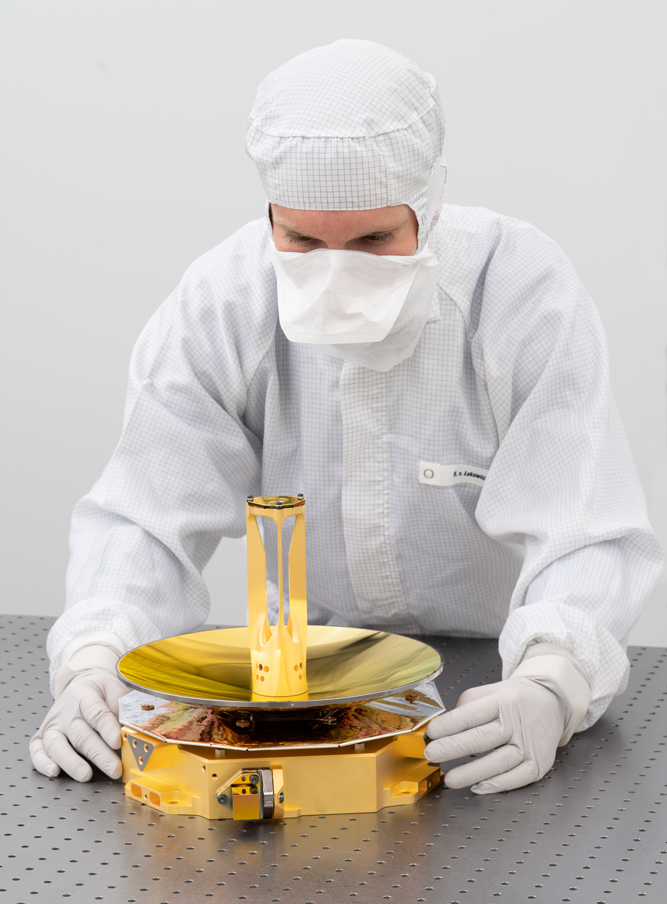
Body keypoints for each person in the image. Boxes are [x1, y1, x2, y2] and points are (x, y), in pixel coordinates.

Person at [30, 39, 663, 794]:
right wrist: (94, 660)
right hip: (307, 694)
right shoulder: (224, 299)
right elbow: (146, 513)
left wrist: (553, 680)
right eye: (300, 240)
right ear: (269, 213)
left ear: (426, 206)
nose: (336, 272)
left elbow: (580, 521)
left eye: (372, 240)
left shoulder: (518, 289)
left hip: (492, 681)